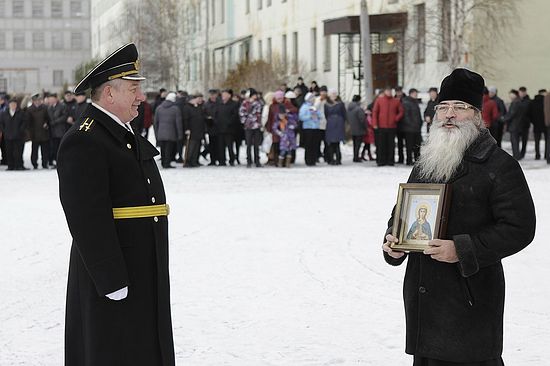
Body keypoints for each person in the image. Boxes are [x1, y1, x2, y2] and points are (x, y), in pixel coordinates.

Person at [382, 68, 536, 366]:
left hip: (469, 301)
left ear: (477, 115)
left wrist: (462, 249)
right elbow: (402, 211)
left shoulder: (500, 165)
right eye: (443, 107)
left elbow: (520, 227)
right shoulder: (428, 159)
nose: (449, 114)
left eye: (459, 107)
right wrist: (394, 241)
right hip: (424, 302)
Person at [56, 43, 175, 366]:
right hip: (115, 269)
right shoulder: (86, 138)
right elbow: (86, 216)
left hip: (140, 262)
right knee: (112, 346)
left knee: (141, 343)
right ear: (110, 94)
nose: (141, 96)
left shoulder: (118, 132)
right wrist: (109, 277)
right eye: (134, 89)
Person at [372, 86, 404, 166]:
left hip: (392, 126)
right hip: (381, 126)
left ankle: (390, 161)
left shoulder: (396, 101)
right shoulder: (379, 100)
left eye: (390, 91)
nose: (389, 92)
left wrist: (395, 119)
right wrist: (375, 123)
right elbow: (375, 112)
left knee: (391, 145)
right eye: (387, 91)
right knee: (381, 144)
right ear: (384, 92)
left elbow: (401, 111)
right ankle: (380, 161)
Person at [154, 92, 183, 168]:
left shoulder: (159, 108)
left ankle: (164, 163)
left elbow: (155, 122)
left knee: (163, 148)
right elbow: (178, 123)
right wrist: (180, 134)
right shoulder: (175, 109)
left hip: (161, 132)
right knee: (169, 149)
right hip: (171, 132)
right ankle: (167, 163)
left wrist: (156, 133)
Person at [0, 98, 28, 170]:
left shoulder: (21, 113)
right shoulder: (4, 113)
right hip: (8, 136)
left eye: (14, 104)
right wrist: (4, 131)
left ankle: (19, 165)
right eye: (11, 104)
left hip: (18, 136)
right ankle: (10, 166)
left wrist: (20, 130)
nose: (13, 106)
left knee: (18, 152)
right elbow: (1, 123)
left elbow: (24, 122)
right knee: (9, 152)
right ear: (9, 105)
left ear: (16, 105)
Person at [239, 88, 263, 168]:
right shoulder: (245, 103)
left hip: (256, 126)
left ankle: (257, 160)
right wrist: (245, 121)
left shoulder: (259, 103)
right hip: (248, 126)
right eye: (253, 95)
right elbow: (242, 113)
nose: (255, 97)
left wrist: (259, 122)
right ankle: (249, 160)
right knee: (248, 144)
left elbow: (258, 113)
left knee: (256, 144)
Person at [27, 94, 51, 169]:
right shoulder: (29, 109)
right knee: (34, 150)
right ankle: (34, 164)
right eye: (36, 100)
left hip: (44, 133)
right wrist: (30, 133)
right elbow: (28, 123)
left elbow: (48, 118)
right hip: (34, 133)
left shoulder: (45, 108)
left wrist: (46, 123)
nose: (37, 102)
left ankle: (44, 163)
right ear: (33, 101)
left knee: (45, 150)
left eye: (39, 100)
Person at [182, 93, 206, 168]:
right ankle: (188, 161)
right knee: (191, 147)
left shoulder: (198, 107)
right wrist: (187, 128)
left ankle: (194, 160)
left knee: (197, 146)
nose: (198, 100)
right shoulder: (186, 107)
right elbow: (185, 119)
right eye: (196, 99)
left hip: (199, 130)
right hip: (191, 130)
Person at [400, 88, 423, 165]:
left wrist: (420, 123)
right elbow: (406, 116)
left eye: (416, 94)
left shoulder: (415, 102)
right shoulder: (406, 102)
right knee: (409, 146)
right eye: (415, 93)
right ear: (410, 94)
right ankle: (409, 160)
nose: (416, 95)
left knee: (417, 145)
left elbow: (418, 115)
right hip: (409, 129)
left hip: (416, 128)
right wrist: (412, 124)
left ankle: (417, 161)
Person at [324, 89, 347, 165]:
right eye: (332, 94)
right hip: (330, 123)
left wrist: (343, 122)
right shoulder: (326, 104)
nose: (333, 95)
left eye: (335, 94)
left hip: (339, 123)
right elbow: (326, 114)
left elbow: (344, 114)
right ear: (329, 95)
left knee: (337, 142)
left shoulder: (340, 104)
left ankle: (338, 159)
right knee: (331, 143)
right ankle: (331, 159)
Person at [299, 92, 321, 166]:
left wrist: (317, 115)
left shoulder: (315, 107)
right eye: (311, 98)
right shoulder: (304, 107)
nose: (313, 99)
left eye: (313, 98)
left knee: (315, 144)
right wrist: (309, 117)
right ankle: (308, 160)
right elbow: (301, 117)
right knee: (308, 145)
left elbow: (320, 115)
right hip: (308, 128)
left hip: (315, 127)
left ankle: (314, 159)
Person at [502, 89, 523, 160]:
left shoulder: (515, 103)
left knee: (514, 141)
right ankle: (516, 155)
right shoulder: (518, 102)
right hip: (517, 124)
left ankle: (516, 156)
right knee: (515, 141)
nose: (509, 96)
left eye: (511, 94)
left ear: (515, 94)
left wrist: (503, 119)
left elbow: (511, 114)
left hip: (514, 125)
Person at [526, 89, 547, 160]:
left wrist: (533, 121)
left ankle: (537, 155)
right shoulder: (546, 102)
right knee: (547, 141)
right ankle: (546, 155)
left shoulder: (532, 102)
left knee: (537, 141)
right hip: (546, 125)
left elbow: (528, 113)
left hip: (536, 124)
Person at [347, 94, 366, 163]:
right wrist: (365, 128)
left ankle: (355, 156)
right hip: (359, 129)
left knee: (355, 144)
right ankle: (356, 157)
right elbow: (362, 119)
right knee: (358, 144)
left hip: (352, 128)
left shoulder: (349, 108)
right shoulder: (359, 109)